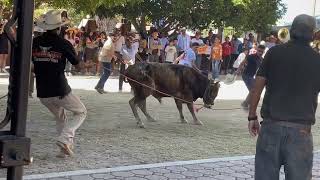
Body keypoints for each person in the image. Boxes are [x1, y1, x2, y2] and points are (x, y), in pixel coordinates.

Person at [248, 14, 320, 180]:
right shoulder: (317, 60)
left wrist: (252, 115)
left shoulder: (274, 53)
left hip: (271, 127)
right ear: (312, 34)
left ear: (291, 31)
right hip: (301, 131)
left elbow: (257, 87)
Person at [33, 10, 87, 157]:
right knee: (81, 112)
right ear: (58, 28)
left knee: (60, 118)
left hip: (43, 93)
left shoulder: (34, 43)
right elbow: (78, 65)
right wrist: (86, 65)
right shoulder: (63, 43)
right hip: (60, 89)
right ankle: (64, 139)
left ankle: (64, 149)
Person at [238, 45, 265, 109]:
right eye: (259, 51)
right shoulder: (251, 56)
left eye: (262, 52)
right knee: (253, 89)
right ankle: (246, 103)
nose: (260, 53)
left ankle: (246, 103)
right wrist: (238, 70)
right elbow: (242, 63)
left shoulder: (262, 59)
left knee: (253, 90)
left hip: (251, 76)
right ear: (257, 50)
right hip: (246, 75)